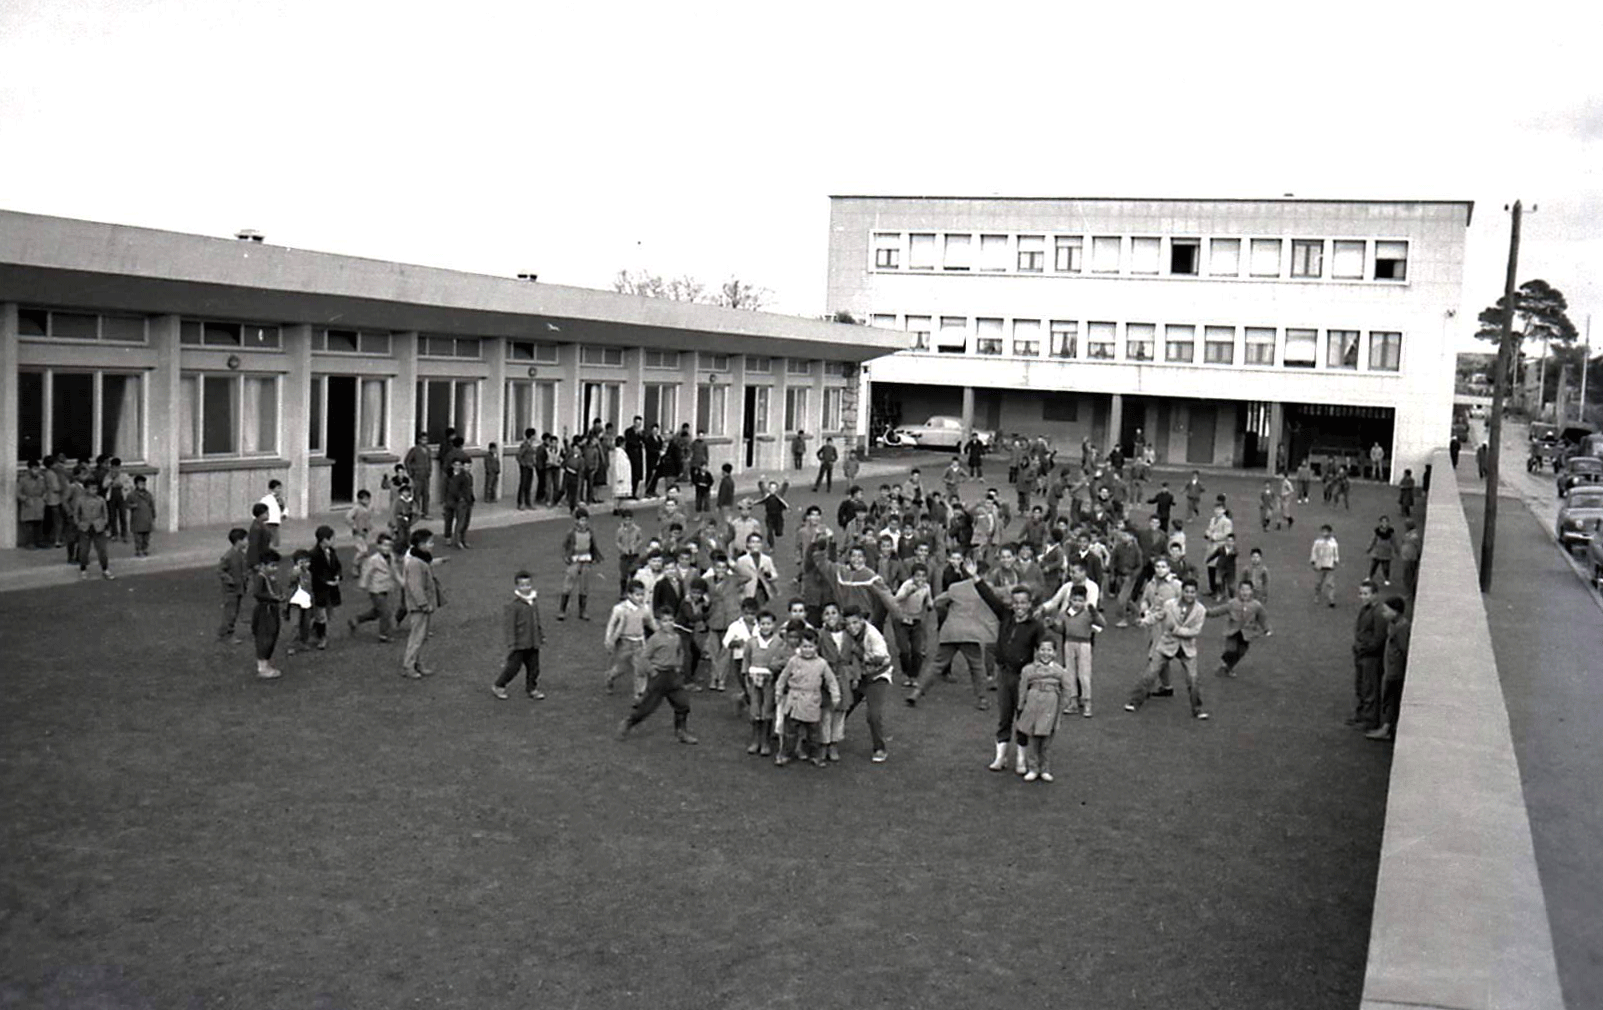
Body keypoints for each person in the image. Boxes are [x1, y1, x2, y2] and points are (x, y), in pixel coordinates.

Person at [909, 556, 999, 711]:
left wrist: (949, 612)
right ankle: (982, 698)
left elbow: (937, 601)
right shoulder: (986, 588)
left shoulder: (955, 587)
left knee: (937, 664)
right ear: (983, 574)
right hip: (971, 632)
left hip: (951, 630)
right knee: (977, 666)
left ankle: (916, 693)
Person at [1125, 577, 1209, 720]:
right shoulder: (1170, 604)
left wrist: (1175, 629)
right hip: (1168, 644)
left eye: (1192, 592)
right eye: (1187, 591)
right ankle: (1135, 701)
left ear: (1196, 593)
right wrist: (1144, 622)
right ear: (1182, 592)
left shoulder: (1201, 610)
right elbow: (1158, 616)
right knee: (1151, 673)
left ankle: (1197, 709)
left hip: (1187, 648)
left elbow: (1195, 631)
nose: (1189, 595)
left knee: (1193, 679)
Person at [617, 606, 699, 745]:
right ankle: (628, 722)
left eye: (671, 620)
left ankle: (681, 731)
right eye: (665, 621)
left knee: (683, 704)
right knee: (647, 707)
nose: (669, 623)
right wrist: (652, 671)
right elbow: (644, 657)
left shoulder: (677, 637)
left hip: (673, 676)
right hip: (659, 677)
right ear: (659, 623)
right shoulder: (655, 639)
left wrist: (678, 666)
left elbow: (680, 652)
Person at [774, 629, 842, 767]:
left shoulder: (822, 663)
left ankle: (815, 755)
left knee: (813, 733)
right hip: (794, 700)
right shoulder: (793, 661)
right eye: (804, 646)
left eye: (810, 647)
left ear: (816, 647)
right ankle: (786, 754)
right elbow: (783, 678)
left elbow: (831, 681)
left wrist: (836, 696)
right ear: (799, 647)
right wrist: (778, 692)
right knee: (790, 731)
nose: (807, 650)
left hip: (812, 701)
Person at [1015, 639, 1072, 783]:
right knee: (1033, 737)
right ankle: (1033, 768)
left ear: (1055, 653)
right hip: (1033, 704)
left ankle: (1045, 769)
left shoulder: (1060, 671)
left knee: (1046, 740)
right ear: (1037, 651)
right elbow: (1022, 688)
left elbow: (1067, 690)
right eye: (1042, 650)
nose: (1045, 653)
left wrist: (1062, 706)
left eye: (1049, 650)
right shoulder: (1028, 669)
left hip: (1051, 705)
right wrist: (1021, 706)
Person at [492, 570, 545, 700]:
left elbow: (537, 620)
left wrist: (541, 634)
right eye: (522, 585)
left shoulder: (533, 601)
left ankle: (531, 688)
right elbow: (510, 626)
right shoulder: (513, 605)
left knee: (534, 668)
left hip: (533, 641)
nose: (526, 588)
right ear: (517, 587)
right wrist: (512, 643)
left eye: (528, 585)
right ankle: (499, 685)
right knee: (513, 667)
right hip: (520, 643)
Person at [399, 528, 443, 679]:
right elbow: (415, 586)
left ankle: (418, 663)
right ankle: (408, 666)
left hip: (422, 606)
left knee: (422, 637)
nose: (432, 545)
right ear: (421, 544)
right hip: (419, 607)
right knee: (416, 637)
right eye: (430, 542)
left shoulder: (421, 559)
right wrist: (424, 604)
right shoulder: (415, 563)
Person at [1055, 584, 1104, 718]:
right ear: (1070, 599)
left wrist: (1095, 613)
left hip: (1084, 644)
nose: (1077, 603)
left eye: (1080, 600)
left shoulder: (1088, 613)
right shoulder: (1065, 613)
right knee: (1070, 673)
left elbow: (1102, 624)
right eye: (1075, 600)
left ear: (1085, 601)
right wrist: (1053, 625)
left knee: (1084, 674)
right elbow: (1061, 630)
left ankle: (1087, 702)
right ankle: (1073, 701)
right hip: (1069, 643)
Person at [1366, 595, 1412, 741]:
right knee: (1389, 698)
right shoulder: (1394, 625)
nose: (1383, 613)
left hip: (1395, 672)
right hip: (1390, 669)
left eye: (1386, 611)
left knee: (1391, 699)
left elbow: (1404, 650)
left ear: (1396, 611)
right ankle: (1388, 727)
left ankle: (1388, 728)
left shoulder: (1402, 627)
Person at [1205, 579, 1272, 677]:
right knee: (1231, 649)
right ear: (1239, 591)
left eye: (1247, 590)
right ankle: (1224, 665)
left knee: (1240, 652)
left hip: (1246, 634)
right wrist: (1207, 612)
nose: (1245, 592)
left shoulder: (1256, 605)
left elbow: (1262, 618)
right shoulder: (1233, 603)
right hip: (1233, 632)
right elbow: (1220, 610)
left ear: (1251, 591)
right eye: (1242, 590)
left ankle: (1228, 668)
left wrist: (1266, 629)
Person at [603, 580, 655, 698]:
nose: (640, 598)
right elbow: (611, 624)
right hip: (624, 643)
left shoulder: (645, 608)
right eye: (637, 595)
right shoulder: (620, 609)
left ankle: (639, 695)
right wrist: (608, 639)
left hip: (640, 643)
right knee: (621, 668)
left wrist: (661, 631)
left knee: (640, 669)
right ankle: (610, 677)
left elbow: (650, 622)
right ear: (629, 595)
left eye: (642, 595)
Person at [1348, 580, 1386, 732]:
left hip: (1371, 657)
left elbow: (1378, 638)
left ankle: (1370, 721)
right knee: (1361, 686)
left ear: (1375, 595)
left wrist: (1363, 648)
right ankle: (1363, 714)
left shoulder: (1378, 613)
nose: (1362, 597)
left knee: (1370, 688)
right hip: (1362, 654)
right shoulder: (1366, 609)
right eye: (1361, 593)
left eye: (1366, 594)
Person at [350, 532, 399, 642]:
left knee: (377, 612)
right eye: (385, 545)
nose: (387, 548)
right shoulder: (373, 559)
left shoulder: (391, 557)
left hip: (386, 587)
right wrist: (363, 583)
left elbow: (394, 570)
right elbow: (366, 571)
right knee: (386, 611)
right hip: (375, 589)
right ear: (378, 546)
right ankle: (384, 634)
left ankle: (357, 619)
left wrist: (401, 581)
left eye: (390, 545)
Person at [558, 506, 602, 621]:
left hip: (586, 560)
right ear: (576, 521)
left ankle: (583, 611)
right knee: (568, 584)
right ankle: (562, 610)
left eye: (586, 520)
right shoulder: (571, 533)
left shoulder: (590, 532)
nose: (584, 523)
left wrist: (594, 557)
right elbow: (565, 546)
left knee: (584, 586)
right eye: (582, 520)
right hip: (575, 559)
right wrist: (566, 557)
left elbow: (593, 545)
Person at [249, 548, 285, 680]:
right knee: (265, 636)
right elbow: (257, 593)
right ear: (263, 565)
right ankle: (262, 667)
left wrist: (280, 595)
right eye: (272, 565)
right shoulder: (261, 577)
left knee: (273, 633)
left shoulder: (271, 577)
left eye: (276, 565)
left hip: (272, 609)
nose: (275, 568)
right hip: (265, 610)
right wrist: (273, 598)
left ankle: (266, 663)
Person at [308, 525, 344, 650]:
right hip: (320, 589)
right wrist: (326, 582)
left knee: (328, 614)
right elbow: (314, 573)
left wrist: (338, 576)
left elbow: (338, 566)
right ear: (324, 540)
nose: (334, 540)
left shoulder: (332, 551)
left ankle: (314, 630)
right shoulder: (314, 555)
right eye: (331, 538)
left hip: (331, 589)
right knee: (321, 614)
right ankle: (321, 637)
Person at [73, 480, 113, 580]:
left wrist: (104, 523)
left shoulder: (101, 500)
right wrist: (78, 523)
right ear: (86, 489)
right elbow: (76, 513)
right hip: (85, 527)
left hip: (98, 527)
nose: (94, 491)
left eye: (96, 489)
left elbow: (105, 513)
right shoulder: (80, 500)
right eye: (92, 489)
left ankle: (105, 569)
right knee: (83, 550)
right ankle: (83, 569)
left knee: (102, 550)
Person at [217, 527, 249, 643]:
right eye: (246, 539)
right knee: (230, 613)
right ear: (239, 541)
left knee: (234, 612)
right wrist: (230, 580)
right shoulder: (229, 555)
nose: (247, 542)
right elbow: (220, 570)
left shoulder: (240, 554)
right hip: (232, 590)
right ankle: (226, 634)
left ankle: (226, 632)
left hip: (239, 588)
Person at [15, 459, 47, 549]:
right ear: (29, 469)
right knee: (29, 524)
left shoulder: (41, 479)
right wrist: (25, 499)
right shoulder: (23, 479)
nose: (36, 471)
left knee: (39, 524)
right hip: (28, 503)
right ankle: (29, 542)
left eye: (38, 468)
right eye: (34, 468)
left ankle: (39, 541)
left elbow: (45, 490)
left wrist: (44, 498)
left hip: (39, 502)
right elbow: (18, 493)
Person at [1310, 524, 1340, 607]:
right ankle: (1317, 595)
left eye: (1326, 531)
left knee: (1330, 583)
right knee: (1318, 582)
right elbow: (1314, 551)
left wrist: (1336, 560)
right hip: (1320, 565)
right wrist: (1313, 561)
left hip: (1329, 565)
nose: (1325, 533)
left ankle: (1331, 599)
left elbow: (1335, 552)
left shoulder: (1333, 542)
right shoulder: (1318, 542)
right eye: (1323, 531)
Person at [127, 475, 156, 557]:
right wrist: (133, 506)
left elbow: (152, 506)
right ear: (136, 484)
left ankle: (145, 549)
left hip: (147, 519)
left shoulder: (148, 495)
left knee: (146, 537)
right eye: (140, 483)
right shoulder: (131, 495)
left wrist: (153, 516)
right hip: (137, 519)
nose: (142, 485)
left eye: (143, 483)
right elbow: (126, 504)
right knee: (138, 537)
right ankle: (139, 550)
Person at [404, 433, 433, 517]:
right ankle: (416, 512)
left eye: (426, 440)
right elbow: (407, 461)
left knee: (426, 495)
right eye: (423, 439)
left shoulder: (428, 450)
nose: (425, 441)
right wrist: (411, 472)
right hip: (417, 475)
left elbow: (429, 461)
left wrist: (430, 471)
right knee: (417, 494)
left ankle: (425, 512)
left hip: (426, 475)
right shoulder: (414, 450)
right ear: (419, 440)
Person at [1366, 516, 1396, 584]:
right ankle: (1370, 577)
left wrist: (1396, 550)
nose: (1384, 523)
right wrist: (1369, 548)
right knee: (1373, 566)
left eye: (1386, 522)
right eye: (1383, 522)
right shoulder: (1377, 531)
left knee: (1386, 567)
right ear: (1380, 523)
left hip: (1386, 553)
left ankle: (1387, 579)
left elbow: (1394, 541)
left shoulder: (1391, 532)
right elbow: (1373, 540)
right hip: (1377, 552)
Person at [1397, 519, 1422, 596]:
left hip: (1410, 558)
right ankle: (1409, 592)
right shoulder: (1409, 534)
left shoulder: (1414, 536)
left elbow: (1418, 547)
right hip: (1407, 557)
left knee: (1408, 576)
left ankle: (1409, 593)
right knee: (1407, 575)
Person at [516, 428, 539, 509]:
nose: (535, 436)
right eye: (534, 435)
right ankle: (520, 503)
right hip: (525, 467)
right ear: (531, 435)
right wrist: (524, 464)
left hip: (530, 467)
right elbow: (519, 456)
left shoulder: (531, 445)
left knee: (529, 485)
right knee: (523, 484)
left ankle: (528, 502)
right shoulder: (525, 445)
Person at [348, 489, 374, 558]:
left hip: (366, 531)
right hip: (358, 532)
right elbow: (348, 517)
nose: (367, 501)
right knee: (362, 550)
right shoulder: (356, 508)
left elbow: (369, 518)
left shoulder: (369, 508)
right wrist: (354, 526)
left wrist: (370, 525)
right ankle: (356, 563)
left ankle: (363, 564)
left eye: (368, 499)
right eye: (365, 499)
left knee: (366, 549)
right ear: (359, 499)